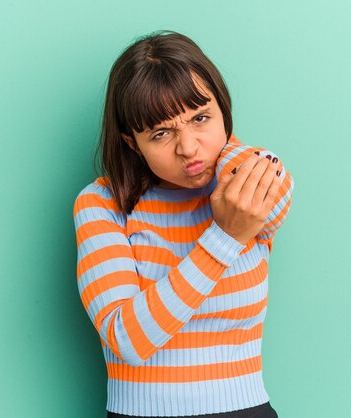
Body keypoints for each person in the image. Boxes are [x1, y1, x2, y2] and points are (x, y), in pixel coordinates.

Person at [73, 30, 294, 418]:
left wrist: (227, 155)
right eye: (161, 133)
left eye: (201, 118)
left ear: (223, 110)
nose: (188, 148)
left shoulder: (244, 184)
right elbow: (128, 339)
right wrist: (225, 237)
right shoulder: (101, 204)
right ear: (131, 142)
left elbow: (274, 186)